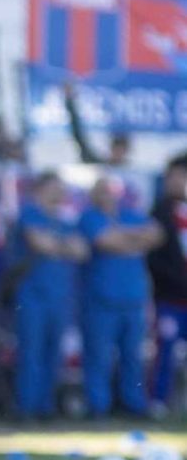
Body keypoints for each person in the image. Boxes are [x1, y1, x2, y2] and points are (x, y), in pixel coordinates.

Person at [79, 176, 163, 418]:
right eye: (101, 191)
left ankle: (134, 405)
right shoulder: (89, 217)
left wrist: (122, 235)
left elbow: (156, 235)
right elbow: (106, 241)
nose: (107, 195)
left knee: (134, 357)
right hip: (102, 299)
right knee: (99, 357)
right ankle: (98, 407)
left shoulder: (130, 214)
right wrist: (136, 240)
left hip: (134, 300)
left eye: (111, 191)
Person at [11, 173, 89, 419]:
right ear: (41, 188)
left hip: (60, 297)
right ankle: (26, 407)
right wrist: (64, 246)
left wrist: (57, 245)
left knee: (53, 354)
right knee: (31, 352)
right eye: (56, 188)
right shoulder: (30, 213)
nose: (60, 193)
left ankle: (46, 407)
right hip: (33, 296)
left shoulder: (65, 219)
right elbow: (39, 244)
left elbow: (82, 251)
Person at [146, 153, 187, 416]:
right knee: (166, 351)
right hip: (171, 298)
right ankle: (159, 401)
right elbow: (154, 257)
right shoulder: (159, 212)